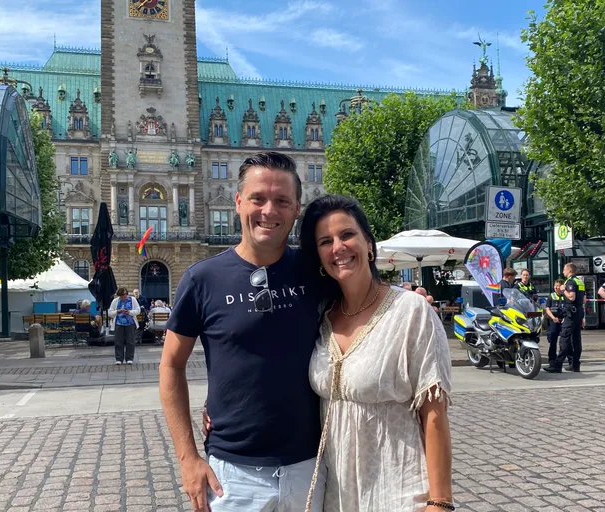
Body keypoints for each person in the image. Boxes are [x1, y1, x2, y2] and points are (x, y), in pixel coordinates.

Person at [159, 152, 436, 512]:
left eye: (282, 201)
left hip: (312, 467)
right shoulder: (202, 279)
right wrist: (187, 458)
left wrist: (411, 302)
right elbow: (170, 365)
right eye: (258, 198)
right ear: (238, 201)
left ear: (296, 209)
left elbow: (366, 301)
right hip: (233, 476)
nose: (269, 211)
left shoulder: (316, 272)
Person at [300, 194, 453, 512]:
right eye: (325, 241)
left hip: (398, 490)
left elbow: (434, 413)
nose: (338, 248)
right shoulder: (322, 316)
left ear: (369, 245)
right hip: (337, 496)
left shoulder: (411, 312)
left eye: (347, 235)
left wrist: (440, 502)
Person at [544, 263, 585, 373]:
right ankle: (575, 364)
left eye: (564, 270)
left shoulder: (570, 282)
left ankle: (557, 365)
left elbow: (571, 297)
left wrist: (563, 290)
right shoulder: (580, 281)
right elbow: (584, 299)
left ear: (569, 271)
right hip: (579, 311)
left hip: (571, 313)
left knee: (564, 338)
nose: (563, 272)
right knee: (576, 339)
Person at [108, 287, 139, 365]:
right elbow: (110, 312)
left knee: (130, 341)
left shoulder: (132, 300)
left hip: (130, 323)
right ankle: (119, 358)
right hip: (119, 323)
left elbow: (138, 310)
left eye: (124, 296)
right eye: (121, 296)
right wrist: (117, 311)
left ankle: (129, 358)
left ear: (127, 294)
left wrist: (130, 312)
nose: (123, 298)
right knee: (118, 341)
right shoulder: (115, 301)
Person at [544, 279, 565, 365]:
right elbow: (547, 308)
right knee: (553, 341)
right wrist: (553, 317)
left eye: (558, 286)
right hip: (553, 321)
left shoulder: (565, 295)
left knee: (565, 341)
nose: (556, 287)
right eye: (555, 285)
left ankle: (567, 359)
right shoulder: (551, 296)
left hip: (563, 321)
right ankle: (552, 359)